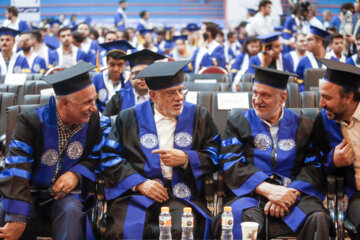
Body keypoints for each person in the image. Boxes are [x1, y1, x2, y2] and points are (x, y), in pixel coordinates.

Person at [98, 60, 220, 239]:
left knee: (181, 230)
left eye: (181, 90)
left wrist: (187, 158)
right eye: (171, 93)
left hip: (181, 193)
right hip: (137, 193)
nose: (179, 97)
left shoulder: (199, 116)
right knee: (123, 229)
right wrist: (139, 183)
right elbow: (109, 157)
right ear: (153, 95)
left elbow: (216, 154)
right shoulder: (129, 118)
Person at [212, 65, 333, 239]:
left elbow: (314, 166)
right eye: (255, 93)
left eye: (265, 95)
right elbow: (231, 162)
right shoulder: (238, 122)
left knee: (318, 218)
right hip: (252, 194)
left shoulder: (305, 125)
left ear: (283, 97)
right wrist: (268, 190)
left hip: (294, 195)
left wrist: (289, 193)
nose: (257, 100)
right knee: (239, 219)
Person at [0, 62, 103, 240]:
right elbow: (17, 168)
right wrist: (17, 218)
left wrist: (75, 174)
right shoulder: (31, 121)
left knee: (71, 213)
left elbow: (97, 156)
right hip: (28, 192)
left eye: (94, 100)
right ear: (64, 103)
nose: (94, 107)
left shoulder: (92, 119)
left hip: (67, 196)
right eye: (87, 102)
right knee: (5, 214)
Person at [311, 58, 360, 239]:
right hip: (356, 195)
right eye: (321, 95)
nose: (321, 104)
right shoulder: (324, 121)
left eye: (327, 97)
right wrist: (333, 161)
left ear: (348, 98)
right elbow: (312, 165)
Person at [103, 49, 165, 116]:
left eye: (147, 72)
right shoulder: (118, 99)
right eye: (137, 73)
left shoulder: (161, 98)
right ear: (130, 78)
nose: (142, 77)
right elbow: (104, 123)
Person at [92, 40, 135, 113]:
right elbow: (92, 102)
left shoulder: (131, 81)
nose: (116, 69)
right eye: (112, 64)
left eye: (120, 65)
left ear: (125, 63)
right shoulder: (97, 79)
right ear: (106, 63)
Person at [296, 25, 329, 92]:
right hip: (309, 99)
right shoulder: (303, 61)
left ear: (319, 42)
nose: (305, 43)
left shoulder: (333, 60)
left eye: (309, 40)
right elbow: (299, 84)